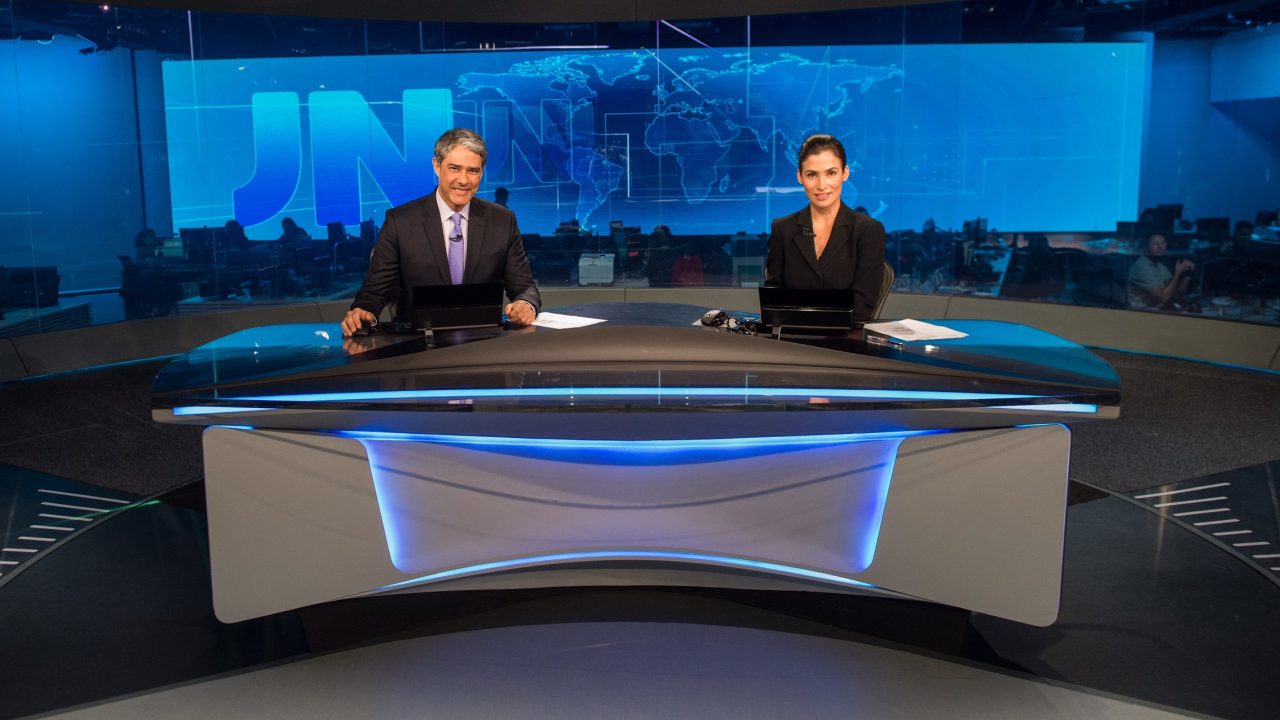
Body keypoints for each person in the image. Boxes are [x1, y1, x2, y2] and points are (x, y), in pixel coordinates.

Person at [342, 128, 540, 335]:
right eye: (455, 168)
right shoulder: (400, 222)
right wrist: (362, 312)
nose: (463, 180)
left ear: (481, 172)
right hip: (418, 348)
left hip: (483, 343)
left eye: (472, 171)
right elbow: (374, 292)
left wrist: (527, 304)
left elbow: (524, 286)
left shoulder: (502, 220)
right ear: (437, 166)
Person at [764, 134, 885, 321]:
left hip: (846, 342)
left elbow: (863, 305)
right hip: (793, 340)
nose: (822, 185)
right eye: (812, 175)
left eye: (831, 173)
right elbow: (774, 298)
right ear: (800, 177)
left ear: (845, 173)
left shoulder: (868, 231)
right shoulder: (783, 229)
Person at [1128, 232, 1195, 309]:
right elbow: (1162, 297)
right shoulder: (1141, 267)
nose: (1160, 247)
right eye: (1155, 244)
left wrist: (1187, 274)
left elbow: (1177, 293)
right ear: (1146, 247)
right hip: (1141, 310)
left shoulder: (1160, 265)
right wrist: (1178, 272)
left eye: (1163, 243)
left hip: (1157, 308)